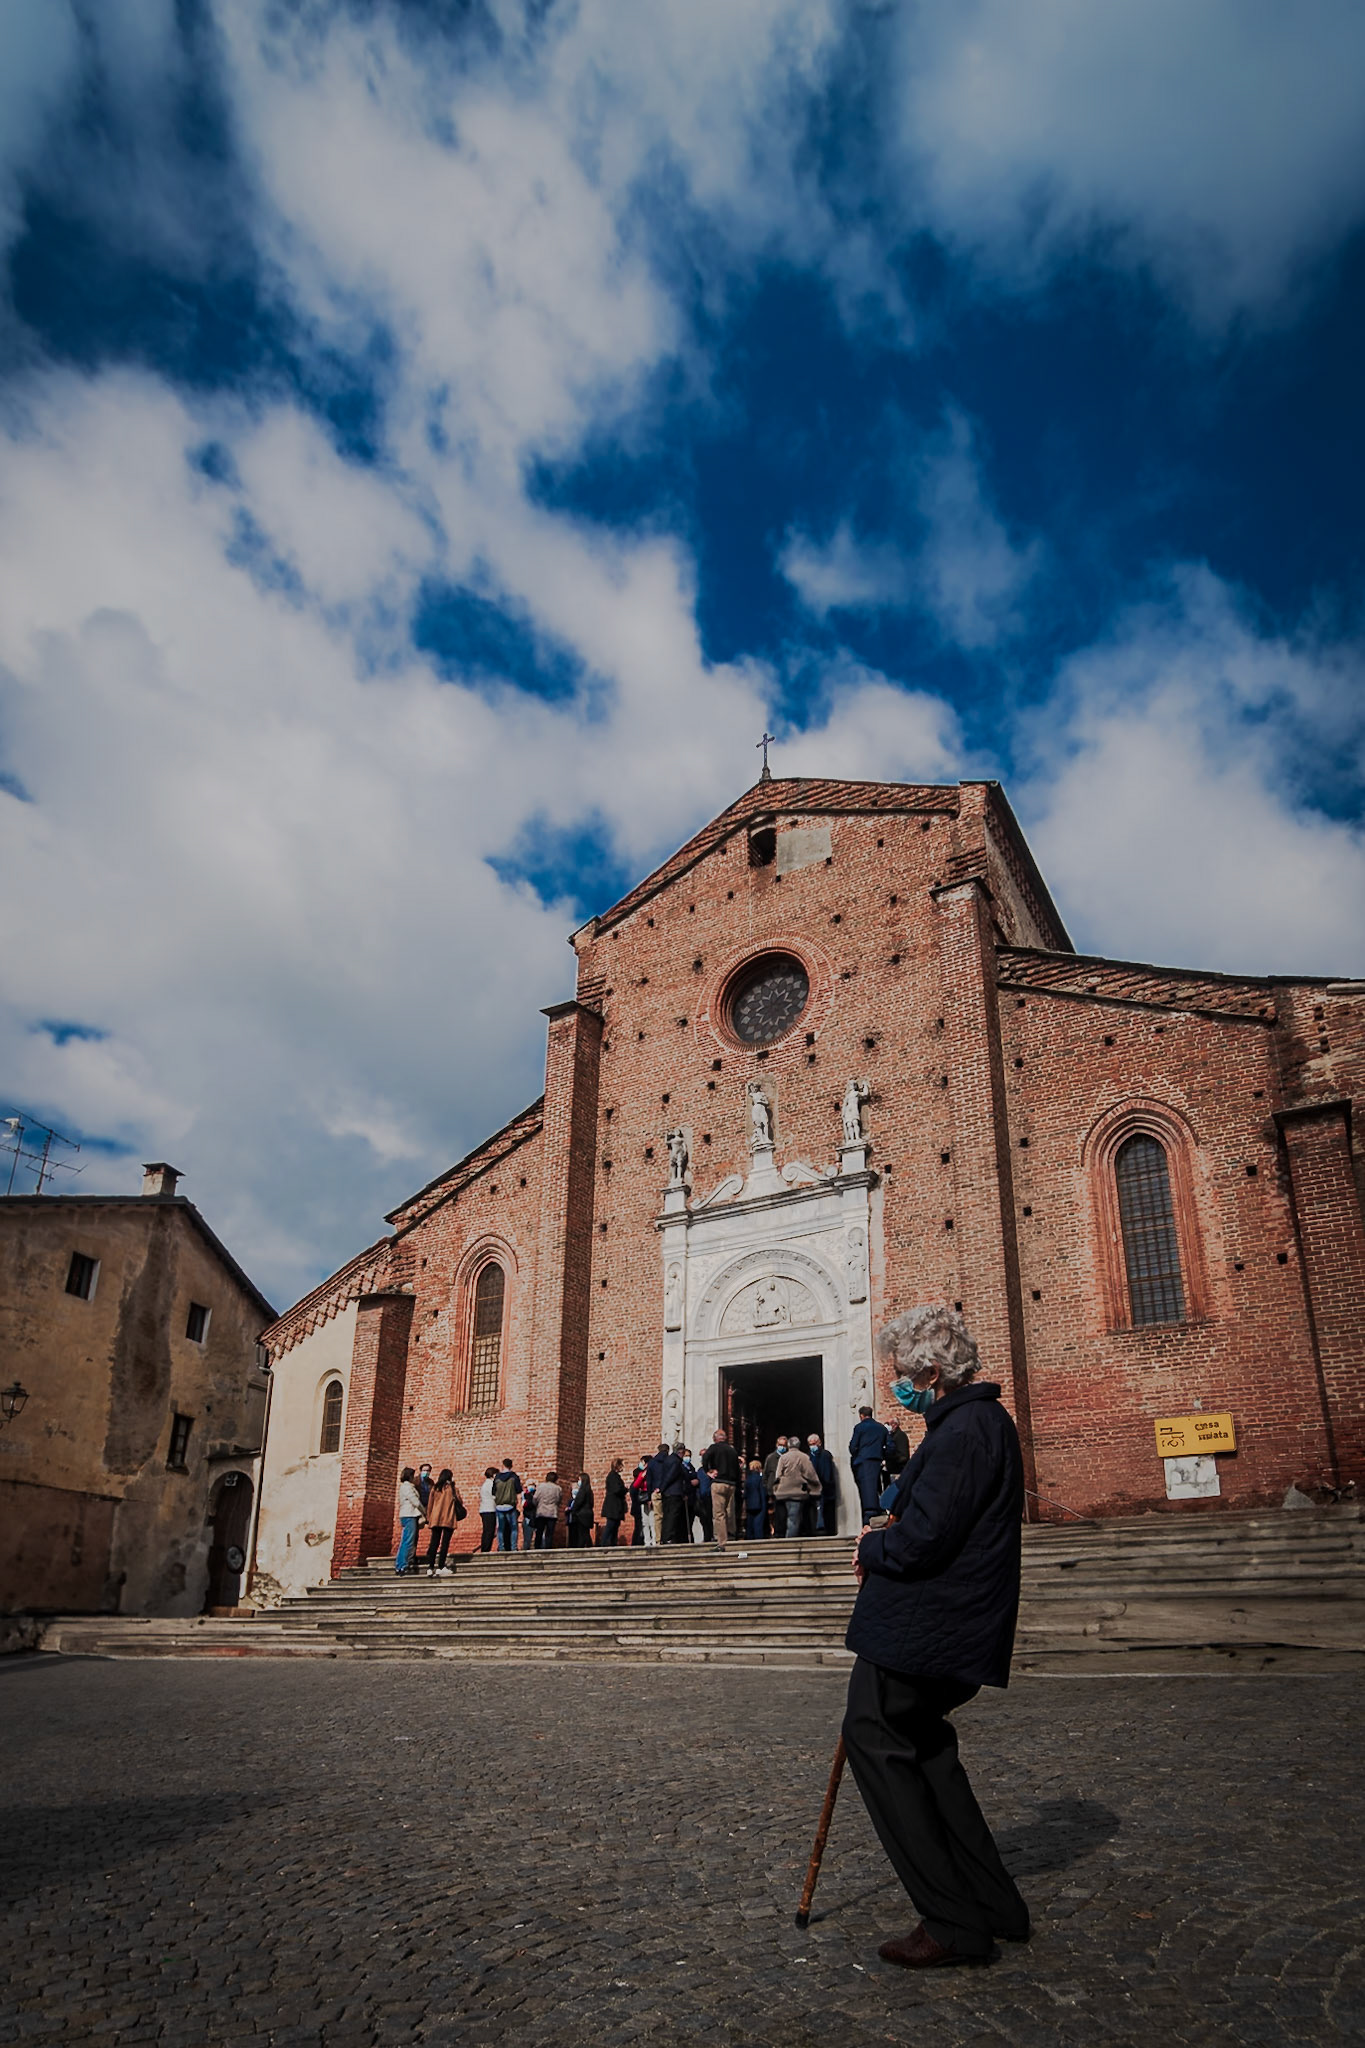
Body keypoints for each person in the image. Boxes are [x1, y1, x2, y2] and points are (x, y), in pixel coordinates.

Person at [842, 1306, 1030, 1971]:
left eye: (901, 1375)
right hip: (940, 1629)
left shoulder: (962, 1432)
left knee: (875, 1740)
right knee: (926, 1752)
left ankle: (951, 1920)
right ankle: (993, 1904)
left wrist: (877, 1543)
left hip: (923, 1631)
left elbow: (925, 1541)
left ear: (930, 1372)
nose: (896, 1385)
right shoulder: (973, 1425)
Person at [849, 1406, 891, 1521]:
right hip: (877, 1462)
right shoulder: (881, 1428)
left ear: (861, 1415)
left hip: (863, 1462)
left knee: (866, 1491)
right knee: (875, 1488)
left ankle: (868, 1519)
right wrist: (882, 1455)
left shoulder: (860, 1427)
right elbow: (890, 1447)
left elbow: (853, 1447)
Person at [701, 1429, 741, 1548]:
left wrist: (708, 1471)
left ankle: (722, 1541)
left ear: (715, 1438)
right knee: (729, 1512)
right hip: (731, 1484)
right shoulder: (732, 1450)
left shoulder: (714, 1448)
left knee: (719, 1513)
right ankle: (731, 1535)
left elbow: (705, 1457)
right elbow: (738, 1469)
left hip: (718, 1482)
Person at [774, 1436, 820, 1536]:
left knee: (784, 1518)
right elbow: (810, 1473)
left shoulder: (783, 1457)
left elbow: (778, 1475)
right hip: (797, 1491)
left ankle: (783, 1538)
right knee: (793, 1518)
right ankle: (790, 1543)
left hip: (782, 1492)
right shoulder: (803, 1457)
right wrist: (816, 1484)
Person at [649, 1442, 689, 1544]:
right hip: (673, 1492)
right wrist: (662, 1488)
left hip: (667, 1492)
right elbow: (670, 1476)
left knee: (667, 1515)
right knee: (672, 1516)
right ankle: (668, 1537)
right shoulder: (676, 1461)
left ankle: (664, 1537)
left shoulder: (669, 1460)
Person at [423, 1468, 461, 1574]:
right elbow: (460, 1501)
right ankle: (441, 1566)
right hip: (448, 1518)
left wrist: (429, 1518)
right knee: (445, 1544)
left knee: (434, 1543)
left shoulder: (435, 1488)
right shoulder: (452, 1489)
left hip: (435, 1519)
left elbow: (430, 1504)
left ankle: (430, 1567)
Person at [806, 1431, 837, 1534]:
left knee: (826, 1511)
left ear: (819, 1443)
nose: (813, 1446)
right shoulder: (808, 1457)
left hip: (825, 1488)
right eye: (810, 1444)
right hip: (813, 1489)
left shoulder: (825, 1455)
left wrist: (825, 1483)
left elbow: (827, 1472)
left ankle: (825, 1529)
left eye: (814, 1443)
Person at [395, 1467, 424, 1575]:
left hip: (410, 1515)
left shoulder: (408, 1486)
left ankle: (406, 1562)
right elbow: (415, 1501)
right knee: (407, 1541)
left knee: (410, 1540)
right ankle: (401, 1565)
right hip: (409, 1515)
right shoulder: (407, 1487)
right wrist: (424, 1511)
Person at [882, 1418, 911, 1512]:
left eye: (890, 1424)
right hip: (892, 1470)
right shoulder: (893, 1436)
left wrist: (890, 1460)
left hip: (898, 1470)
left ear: (895, 1425)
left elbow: (903, 1456)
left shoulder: (900, 1436)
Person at [493, 1458, 522, 1551]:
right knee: (514, 1527)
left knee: (500, 1529)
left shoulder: (497, 1477)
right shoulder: (514, 1476)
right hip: (511, 1504)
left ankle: (501, 1547)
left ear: (503, 1465)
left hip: (499, 1505)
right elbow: (518, 1490)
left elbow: (493, 1491)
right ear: (511, 1465)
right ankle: (513, 1547)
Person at [763, 1435, 788, 1536]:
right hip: (773, 1489)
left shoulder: (788, 1457)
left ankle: (783, 1530)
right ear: (777, 1445)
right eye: (780, 1445)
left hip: (785, 1489)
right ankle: (775, 1530)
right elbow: (766, 1473)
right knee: (774, 1512)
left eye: (784, 1445)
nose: (782, 1447)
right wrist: (766, 1486)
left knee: (784, 1512)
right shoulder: (770, 1458)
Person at [533, 1471, 563, 1548]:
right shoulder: (558, 1489)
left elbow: (535, 1498)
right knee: (549, 1533)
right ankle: (548, 1548)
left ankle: (537, 1547)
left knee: (539, 1532)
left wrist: (537, 1505)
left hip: (541, 1511)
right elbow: (559, 1500)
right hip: (552, 1512)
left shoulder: (541, 1487)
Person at [602, 1458, 628, 1546]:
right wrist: (624, 1490)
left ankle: (612, 1543)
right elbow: (617, 1490)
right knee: (611, 1525)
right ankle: (605, 1543)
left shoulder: (614, 1476)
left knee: (615, 1526)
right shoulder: (613, 1476)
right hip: (613, 1506)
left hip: (615, 1506)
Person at [568, 1472, 595, 1547]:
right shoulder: (589, 1490)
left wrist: (573, 1510)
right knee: (586, 1533)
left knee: (582, 1534)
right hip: (588, 1514)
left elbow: (578, 1502)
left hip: (581, 1515)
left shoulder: (583, 1490)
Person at [476, 1466, 499, 1554]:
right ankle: (486, 1549)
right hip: (489, 1509)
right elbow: (494, 1496)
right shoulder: (490, 1484)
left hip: (485, 1509)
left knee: (487, 1530)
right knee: (489, 1531)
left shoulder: (485, 1484)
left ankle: (485, 1548)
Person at [744, 1459, 768, 1539]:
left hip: (749, 1504)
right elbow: (762, 1492)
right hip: (759, 1504)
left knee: (750, 1525)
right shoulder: (760, 1479)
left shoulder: (747, 1479)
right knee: (758, 1525)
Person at [630, 1462, 652, 1545]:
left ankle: (637, 1542)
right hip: (637, 1508)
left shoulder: (633, 1485)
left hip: (636, 1508)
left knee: (639, 1526)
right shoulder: (635, 1486)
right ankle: (637, 1542)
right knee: (639, 1527)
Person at [521, 1477, 539, 1551]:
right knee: (527, 1539)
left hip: (536, 1516)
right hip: (528, 1517)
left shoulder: (537, 1494)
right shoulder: (524, 1495)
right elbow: (524, 1504)